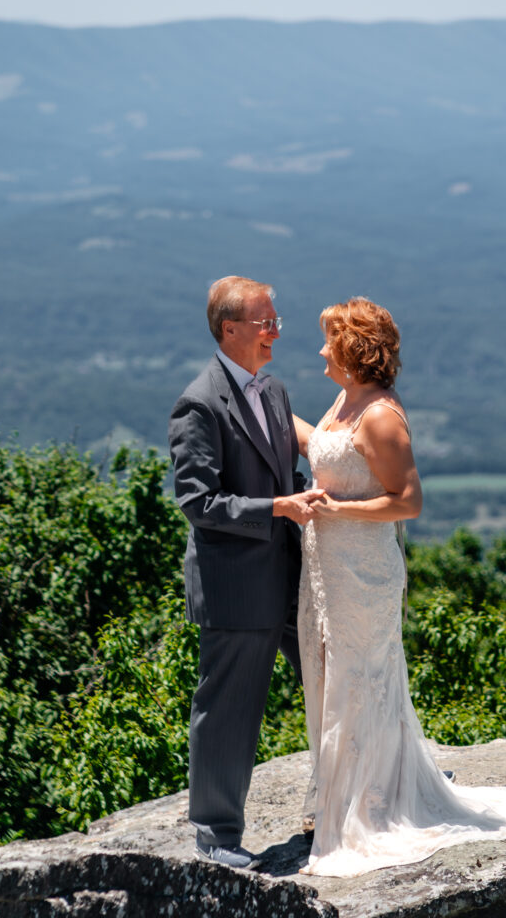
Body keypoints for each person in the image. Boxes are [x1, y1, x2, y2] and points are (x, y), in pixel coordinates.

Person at [293, 297, 506, 878]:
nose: (320, 350)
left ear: (350, 350)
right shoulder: (346, 399)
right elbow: (321, 447)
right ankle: (336, 794)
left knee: (361, 676)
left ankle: (366, 805)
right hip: (325, 568)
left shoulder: (380, 416)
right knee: (327, 671)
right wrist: (264, 406)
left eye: (328, 341)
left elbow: (409, 502)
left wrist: (336, 512)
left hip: (363, 570)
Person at [168, 276, 323, 871]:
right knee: (229, 711)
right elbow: (197, 502)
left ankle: (373, 783)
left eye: (276, 318)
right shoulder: (198, 404)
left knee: (338, 676)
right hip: (236, 587)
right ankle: (215, 837)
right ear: (229, 329)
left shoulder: (275, 390)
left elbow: (287, 478)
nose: (276, 329)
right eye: (264, 321)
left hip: (290, 576)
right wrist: (278, 509)